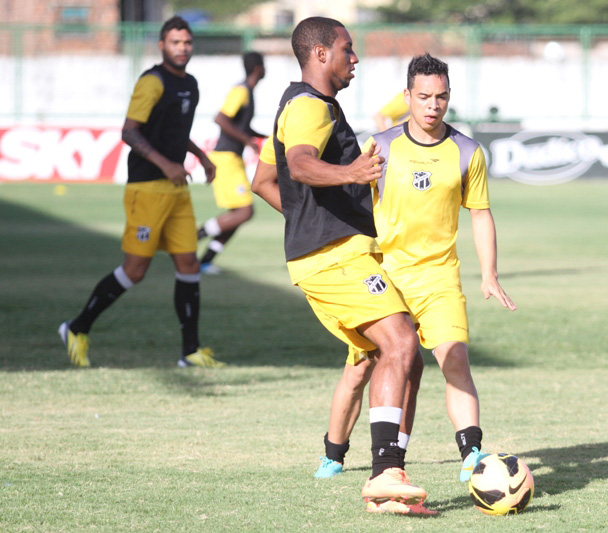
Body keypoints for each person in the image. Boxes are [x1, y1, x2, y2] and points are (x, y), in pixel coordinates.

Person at [309, 54, 516, 485]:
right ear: (407, 96)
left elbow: (480, 214)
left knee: (454, 358)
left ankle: (471, 454)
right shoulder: (380, 146)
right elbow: (348, 202)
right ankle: (335, 453)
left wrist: (490, 273)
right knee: (362, 366)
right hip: (387, 278)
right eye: (423, 96)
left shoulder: (467, 152)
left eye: (440, 97)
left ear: (449, 98)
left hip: (439, 277)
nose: (432, 105)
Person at [264, 16, 429, 514]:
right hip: (336, 258)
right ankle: (383, 475)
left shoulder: (304, 105)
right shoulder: (309, 105)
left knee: (405, 356)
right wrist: (352, 172)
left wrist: (306, 219)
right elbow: (297, 163)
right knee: (400, 341)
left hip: (335, 252)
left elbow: (262, 181)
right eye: (347, 49)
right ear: (319, 54)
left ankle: (390, 474)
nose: (354, 58)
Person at [58, 16, 225, 368]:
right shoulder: (152, 81)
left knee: (189, 263)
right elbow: (130, 132)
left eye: (187, 42)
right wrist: (166, 164)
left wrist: (200, 156)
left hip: (177, 189)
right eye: (175, 42)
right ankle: (76, 327)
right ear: (162, 45)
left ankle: (189, 351)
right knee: (135, 271)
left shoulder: (190, 85)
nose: (182, 48)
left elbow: (175, 131)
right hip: (147, 188)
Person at [196, 52, 267, 275]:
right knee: (244, 212)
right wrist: (247, 140)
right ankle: (190, 239)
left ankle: (204, 262)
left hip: (232, 159)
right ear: (257, 68)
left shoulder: (248, 91)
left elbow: (241, 125)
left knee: (236, 217)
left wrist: (261, 136)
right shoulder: (241, 91)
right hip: (225, 159)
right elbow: (221, 118)